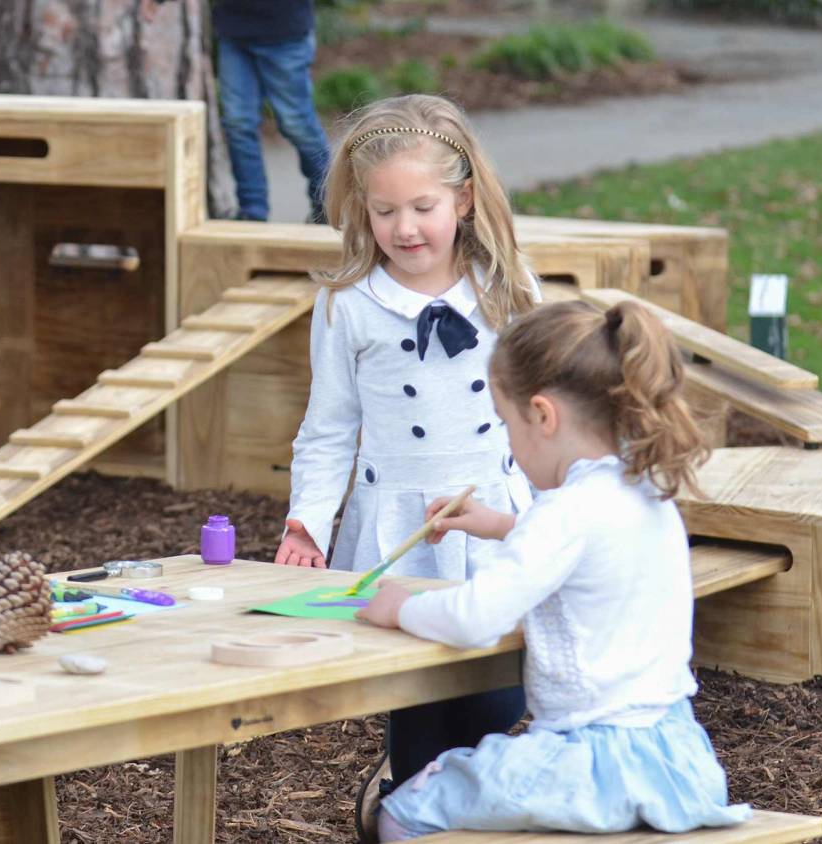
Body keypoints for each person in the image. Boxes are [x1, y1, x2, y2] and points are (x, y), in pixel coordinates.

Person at [355, 299, 754, 840]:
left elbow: (476, 618)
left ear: (543, 416)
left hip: (587, 768)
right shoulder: (646, 493)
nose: (511, 446)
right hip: (677, 760)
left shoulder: (564, 512)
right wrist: (499, 524)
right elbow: (591, 549)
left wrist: (402, 606)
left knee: (405, 807)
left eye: (506, 425)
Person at [271, 94, 540, 841]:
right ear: (362, 210)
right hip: (399, 528)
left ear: (462, 197)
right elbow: (327, 433)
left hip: (488, 517)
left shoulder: (509, 286)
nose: (405, 228)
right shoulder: (348, 306)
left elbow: (548, 409)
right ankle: (407, 809)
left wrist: (557, 507)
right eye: (385, 211)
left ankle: (469, 806)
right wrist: (306, 523)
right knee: (420, 693)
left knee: (495, 689)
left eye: (422, 206)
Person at [142, 0, 332, 222]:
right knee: (237, 123)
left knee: (296, 123)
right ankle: (252, 210)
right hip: (234, 33)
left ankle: (327, 202)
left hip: (285, 34)